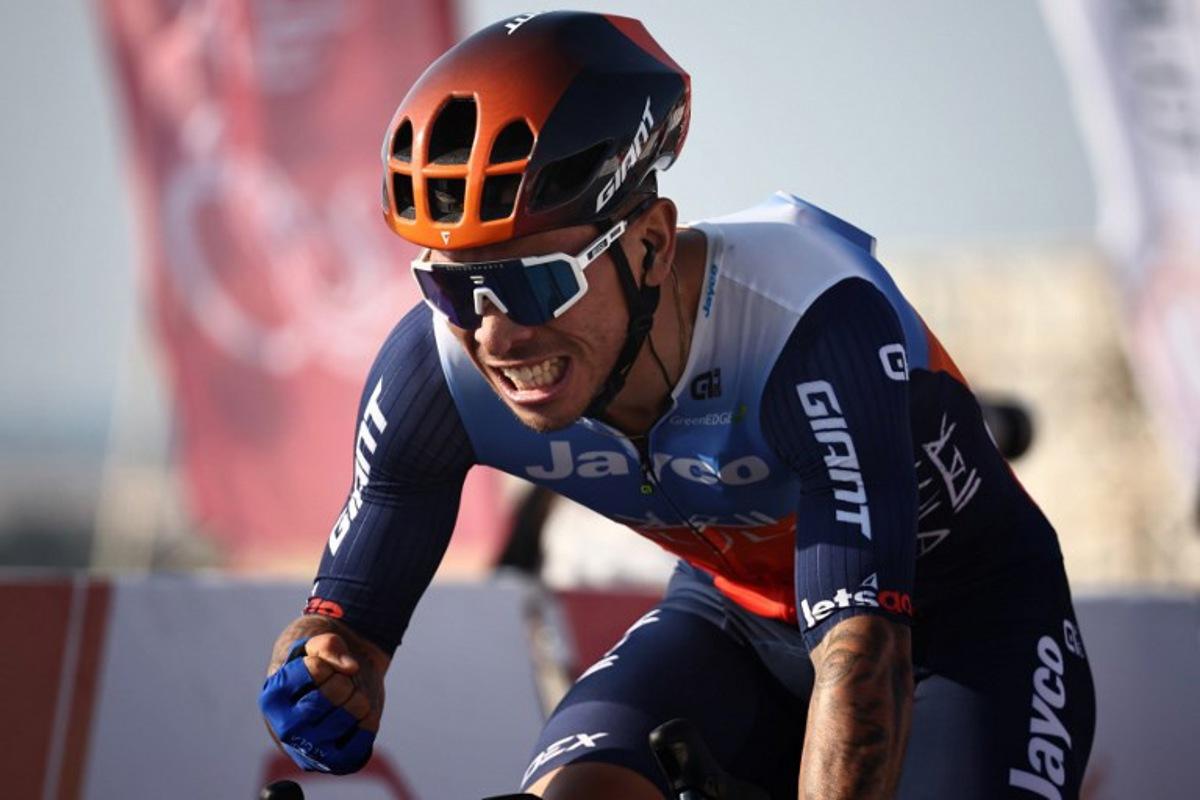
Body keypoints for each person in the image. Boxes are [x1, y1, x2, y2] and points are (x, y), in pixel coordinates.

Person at [259, 11, 1095, 799]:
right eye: (451, 286)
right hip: (730, 625)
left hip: (963, 631)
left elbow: (861, 655)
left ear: (652, 243)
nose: (496, 337)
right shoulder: (436, 368)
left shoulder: (806, 320)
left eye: (536, 283)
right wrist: (326, 669)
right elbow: (339, 621)